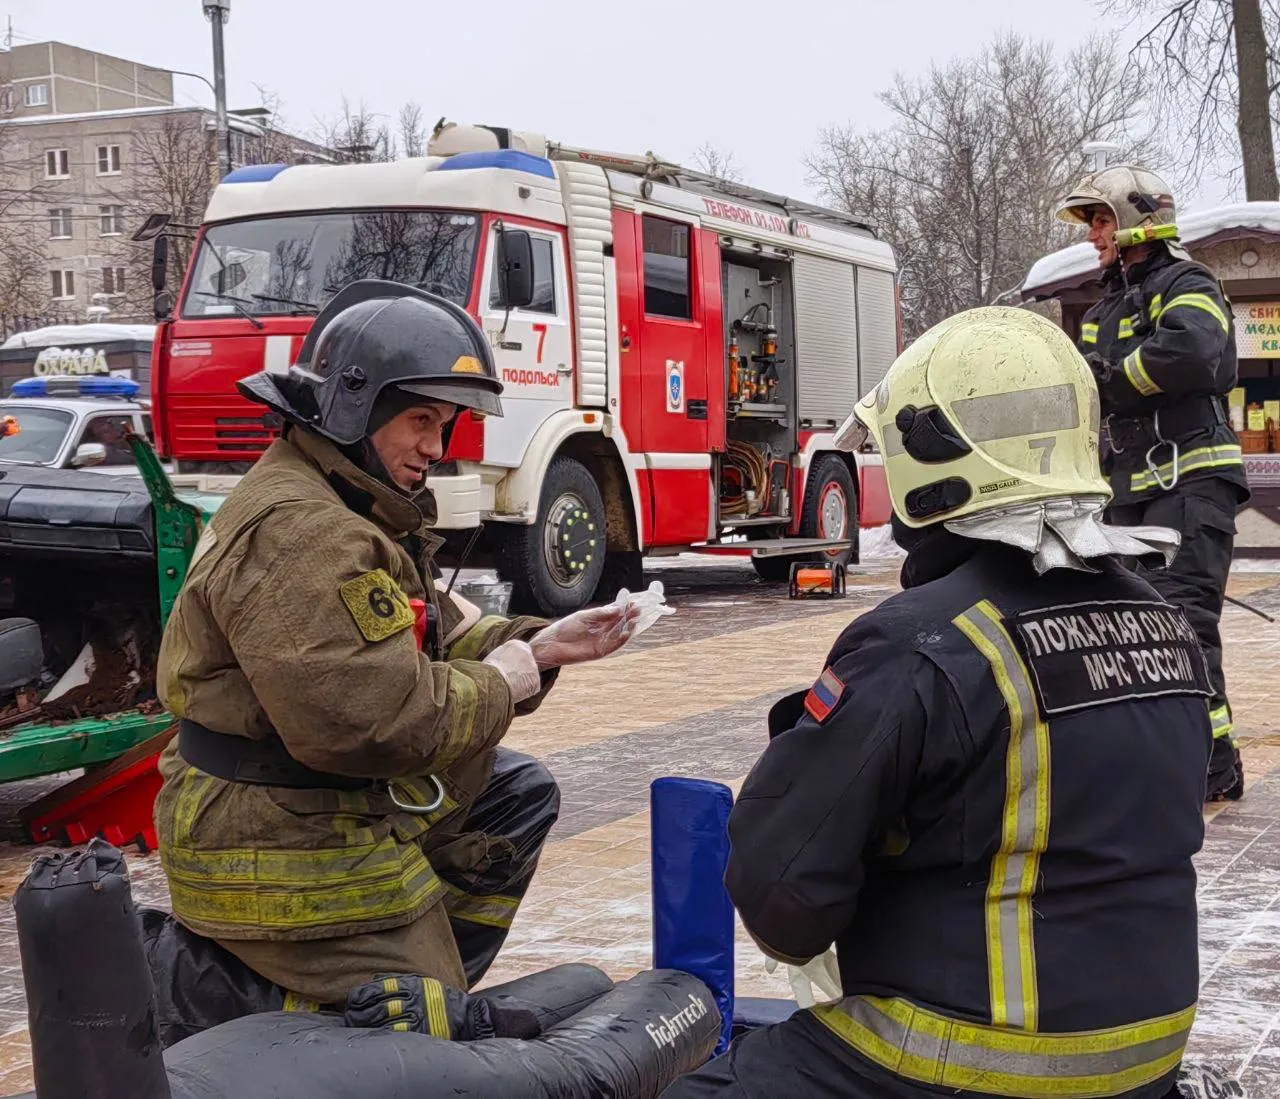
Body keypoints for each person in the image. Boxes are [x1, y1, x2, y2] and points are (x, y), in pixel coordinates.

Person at [664, 306, 1212, 1099]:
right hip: (1144, 1061)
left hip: (969, 1063)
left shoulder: (920, 642)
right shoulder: (1165, 623)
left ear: (932, 454)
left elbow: (783, 897)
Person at [153, 279, 639, 1017]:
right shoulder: (305, 532)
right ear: (355, 406)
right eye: (420, 419)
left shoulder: (343, 503)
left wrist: (541, 645)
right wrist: (505, 680)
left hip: (301, 803)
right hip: (264, 830)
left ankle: (393, 961)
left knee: (515, 794)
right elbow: (370, 721)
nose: (435, 448)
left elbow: (425, 630)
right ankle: (243, 1000)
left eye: (443, 424)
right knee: (424, 1017)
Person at [1057, 164, 1247, 801]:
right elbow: (1088, 389)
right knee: (1134, 624)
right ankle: (1159, 760)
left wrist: (1110, 379)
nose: (1094, 236)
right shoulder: (1104, 307)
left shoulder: (1185, 281)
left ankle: (1215, 765)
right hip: (1131, 490)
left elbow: (1192, 351)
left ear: (1137, 220)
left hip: (1190, 480)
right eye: (1092, 224)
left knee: (1184, 622)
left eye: (1102, 220)